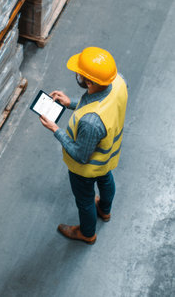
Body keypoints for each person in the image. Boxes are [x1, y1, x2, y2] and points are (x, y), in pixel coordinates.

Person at [40, 47, 128, 245]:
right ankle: (105, 211)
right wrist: (69, 102)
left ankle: (87, 233)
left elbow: (80, 155)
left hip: (85, 170)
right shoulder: (118, 81)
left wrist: (55, 129)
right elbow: (98, 101)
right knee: (106, 180)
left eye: (80, 74)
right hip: (108, 156)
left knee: (85, 200)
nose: (77, 75)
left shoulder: (91, 122)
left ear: (88, 82)